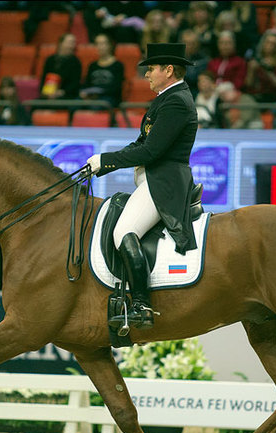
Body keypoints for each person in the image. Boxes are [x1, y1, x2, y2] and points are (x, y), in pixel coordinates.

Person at [85, 43, 198, 330]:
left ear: (169, 70)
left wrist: (107, 160)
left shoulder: (176, 101)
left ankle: (140, 303)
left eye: (151, 69)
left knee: (124, 231)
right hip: (155, 179)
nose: (146, 75)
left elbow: (150, 153)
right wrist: (102, 164)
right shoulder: (166, 98)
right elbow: (141, 144)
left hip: (165, 183)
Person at [80, 32, 125, 108]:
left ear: (110, 45)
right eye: (97, 44)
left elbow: (116, 88)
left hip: (108, 98)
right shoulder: (93, 65)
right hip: (92, 97)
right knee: (75, 105)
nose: (100, 47)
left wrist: (99, 93)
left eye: (102, 44)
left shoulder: (118, 65)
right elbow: (87, 83)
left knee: (96, 106)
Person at [39, 33, 82, 100]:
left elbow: (75, 84)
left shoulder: (76, 62)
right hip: (48, 93)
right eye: (69, 43)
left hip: (66, 95)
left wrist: (61, 92)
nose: (72, 46)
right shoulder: (50, 60)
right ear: (61, 43)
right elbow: (43, 78)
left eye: (73, 43)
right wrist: (45, 92)